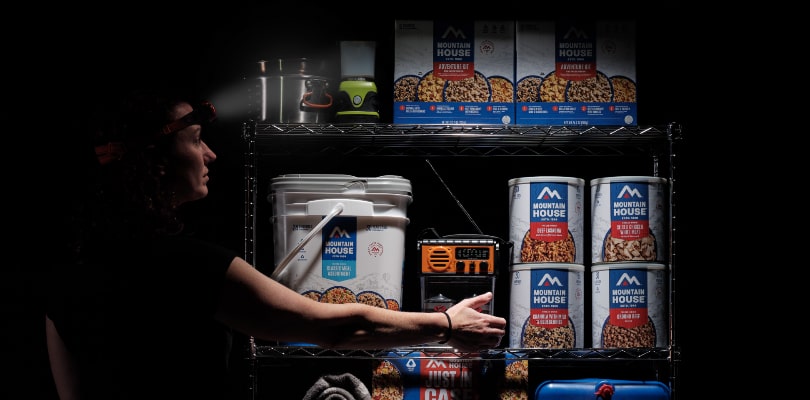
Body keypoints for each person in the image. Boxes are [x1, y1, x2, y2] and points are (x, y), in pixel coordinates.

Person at [43, 89, 507, 400]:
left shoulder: (70, 275)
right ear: (156, 163)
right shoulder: (190, 265)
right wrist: (447, 324)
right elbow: (333, 326)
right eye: (197, 140)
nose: (210, 154)